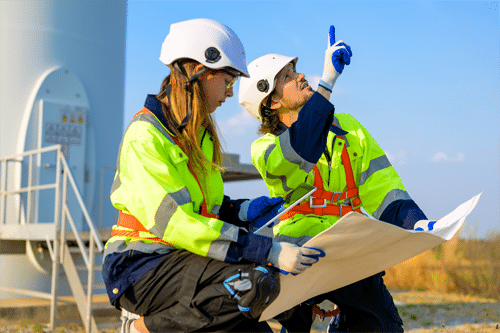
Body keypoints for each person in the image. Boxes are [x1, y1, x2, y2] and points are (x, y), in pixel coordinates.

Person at [102, 18, 325, 333]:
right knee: (252, 283)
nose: (230, 93)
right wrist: (268, 250)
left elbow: (210, 209)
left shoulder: (200, 136)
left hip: (184, 256)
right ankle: (140, 328)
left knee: (266, 305)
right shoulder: (146, 136)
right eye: (229, 80)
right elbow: (177, 222)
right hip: (139, 265)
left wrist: (245, 211)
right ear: (197, 71)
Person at [238, 25, 428, 332]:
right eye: (288, 76)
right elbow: (300, 149)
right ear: (271, 102)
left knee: (383, 327)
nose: (300, 76)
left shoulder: (348, 127)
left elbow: (381, 185)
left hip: (350, 247)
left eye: (295, 70)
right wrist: (327, 82)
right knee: (294, 324)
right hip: (297, 252)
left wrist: (414, 222)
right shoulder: (266, 148)